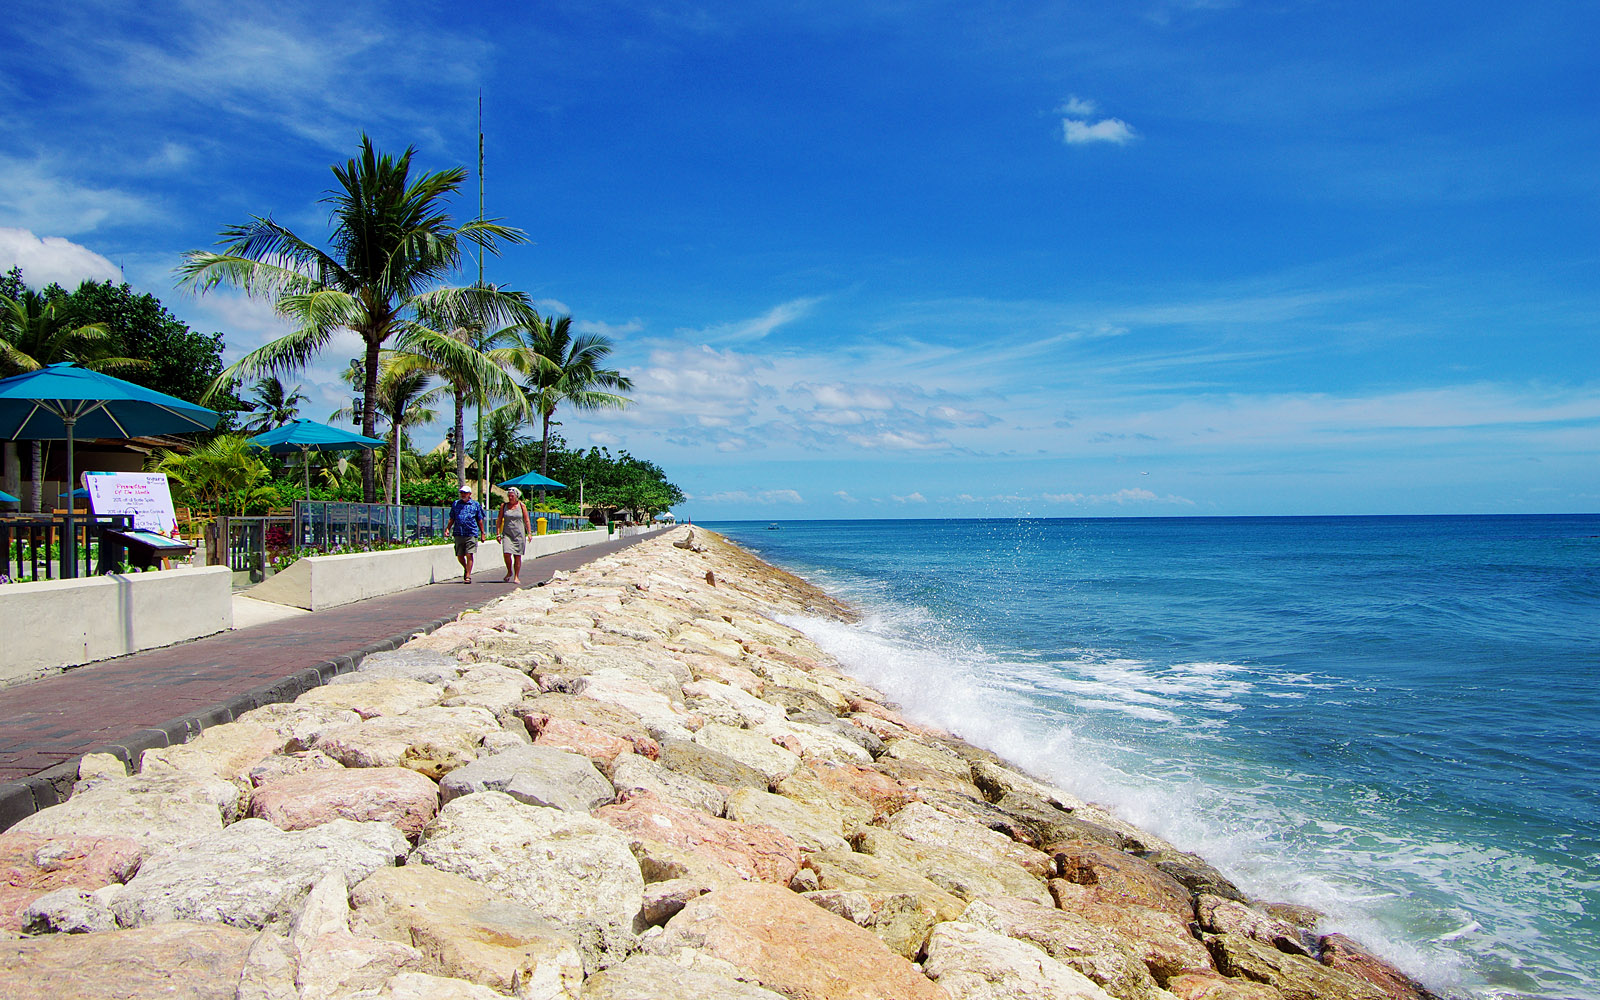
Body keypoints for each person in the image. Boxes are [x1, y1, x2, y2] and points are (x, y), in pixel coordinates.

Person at [448, 484, 487, 584]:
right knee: (459, 555)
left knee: (469, 554)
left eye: (465, 493)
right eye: (461, 493)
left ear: (470, 494)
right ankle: (466, 568)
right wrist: (447, 528)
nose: (463, 494)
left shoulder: (475, 504)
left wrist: (482, 533)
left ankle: (468, 575)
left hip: (471, 533)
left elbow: (480, 519)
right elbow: (452, 517)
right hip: (458, 532)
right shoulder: (456, 504)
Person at [497, 486, 532, 584]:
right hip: (507, 534)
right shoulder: (504, 506)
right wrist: (497, 533)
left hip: (519, 534)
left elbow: (526, 520)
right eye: (509, 496)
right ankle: (509, 571)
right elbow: (499, 519)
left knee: (517, 556)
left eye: (512, 496)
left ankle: (516, 576)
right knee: (506, 553)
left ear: (516, 496)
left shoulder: (522, 506)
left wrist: (529, 533)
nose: (510, 498)